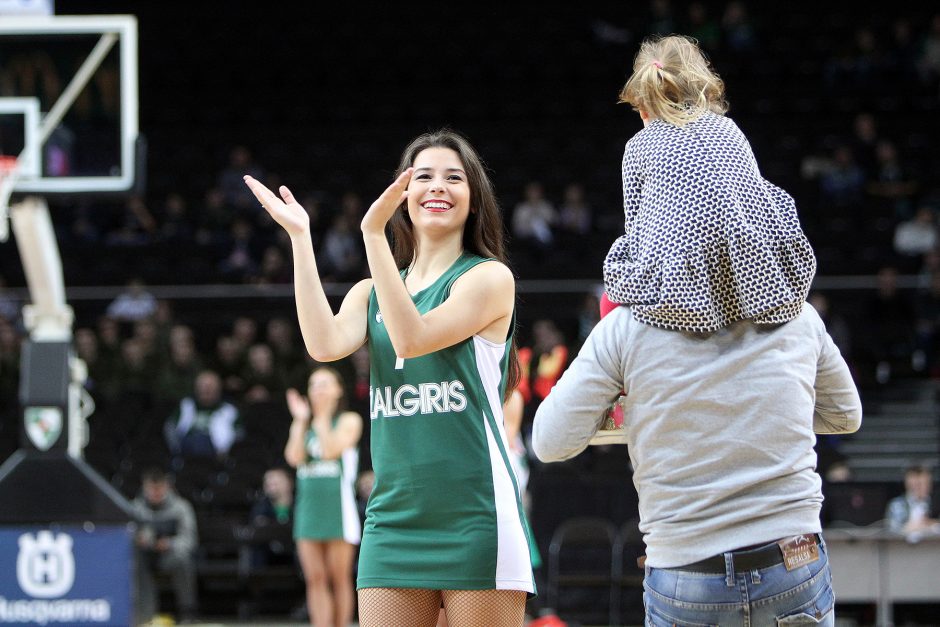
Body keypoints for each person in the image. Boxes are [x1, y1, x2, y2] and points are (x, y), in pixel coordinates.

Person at [533, 35, 862, 626]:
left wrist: (666, 413)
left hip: (688, 576)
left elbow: (550, 442)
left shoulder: (626, 331)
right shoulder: (798, 315)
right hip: (795, 563)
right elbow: (846, 417)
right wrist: (755, 409)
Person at [244, 128, 535, 627]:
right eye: (423, 176)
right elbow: (323, 344)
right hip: (393, 520)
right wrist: (300, 239)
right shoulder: (368, 293)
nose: (438, 186)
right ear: (403, 194)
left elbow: (411, 338)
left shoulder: (488, 278)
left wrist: (373, 236)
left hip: (476, 515)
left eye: (454, 177)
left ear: (474, 199)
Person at [284, 366, 363, 627]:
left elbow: (329, 450)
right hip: (308, 509)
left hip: (338, 508)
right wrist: (299, 421)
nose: (318, 389)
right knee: (315, 578)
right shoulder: (304, 424)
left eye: (324, 384)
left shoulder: (349, 420)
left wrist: (321, 418)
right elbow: (294, 457)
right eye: (313, 384)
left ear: (339, 389)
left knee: (339, 577)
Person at [132, 467, 199, 624]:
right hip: (145, 556)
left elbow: (190, 540)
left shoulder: (181, 507)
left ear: (167, 487)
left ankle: (187, 611)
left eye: (159, 488)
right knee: (134, 559)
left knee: (182, 560)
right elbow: (126, 537)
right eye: (151, 489)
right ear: (144, 487)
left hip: (169, 555)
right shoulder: (135, 508)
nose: (156, 493)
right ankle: (145, 615)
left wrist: (169, 544)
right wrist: (140, 539)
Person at [164, 369, 243, 460]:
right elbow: (170, 428)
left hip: (217, 458)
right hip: (186, 455)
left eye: (210, 387)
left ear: (218, 389)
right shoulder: (185, 406)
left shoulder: (229, 410)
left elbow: (239, 435)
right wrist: (176, 449)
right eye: (202, 386)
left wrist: (227, 452)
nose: (206, 390)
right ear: (196, 388)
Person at [885, 464, 940, 539]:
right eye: (917, 484)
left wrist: (930, 524)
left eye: (925, 483)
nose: (921, 487)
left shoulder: (935, 503)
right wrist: (909, 528)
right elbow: (891, 532)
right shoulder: (897, 505)